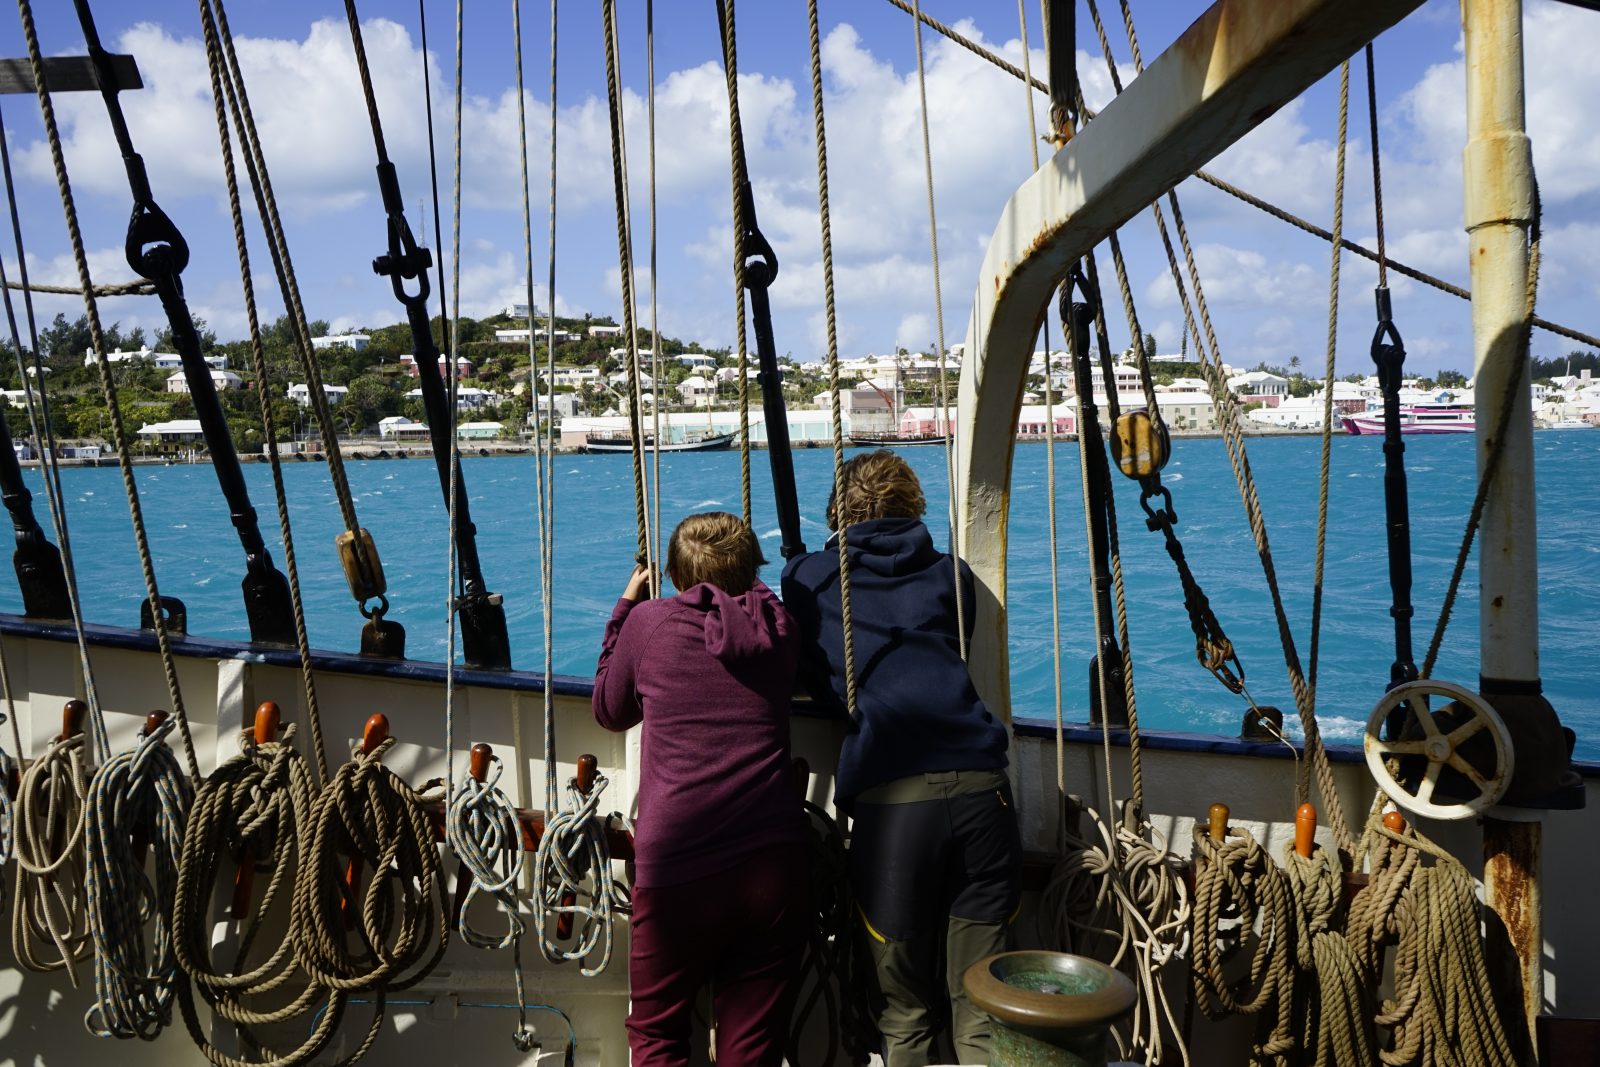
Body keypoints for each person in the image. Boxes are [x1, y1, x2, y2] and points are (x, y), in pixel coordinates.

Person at [781, 450, 1020, 1067]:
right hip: (982, 796)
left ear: (839, 510)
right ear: (913, 504)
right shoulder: (952, 574)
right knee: (983, 1003)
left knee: (907, 1013)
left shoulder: (808, 580)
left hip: (896, 810)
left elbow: (807, 667)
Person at [593, 512, 808, 1067]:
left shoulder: (651, 623)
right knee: (751, 1051)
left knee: (659, 1036)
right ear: (750, 570)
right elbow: (756, 594)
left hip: (679, 872)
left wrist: (625, 609)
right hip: (771, 868)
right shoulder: (780, 629)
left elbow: (609, 711)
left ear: (674, 575)